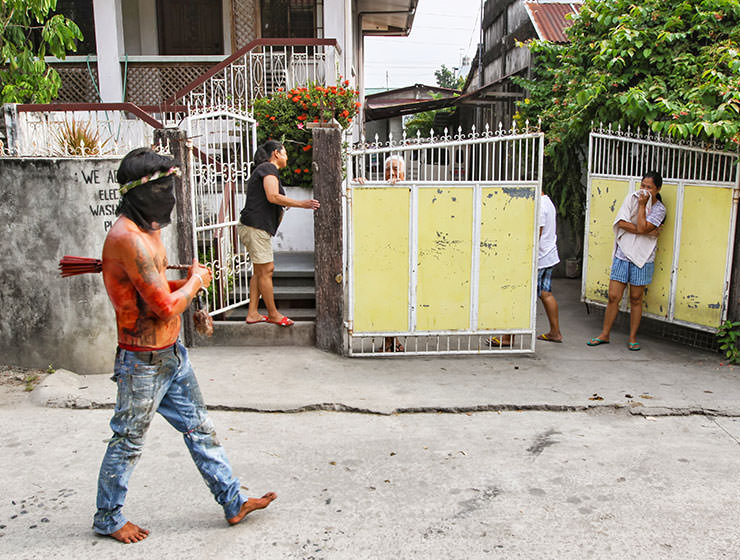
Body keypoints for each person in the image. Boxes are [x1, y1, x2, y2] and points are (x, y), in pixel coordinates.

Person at [94, 148, 276, 543]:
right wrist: (194, 282)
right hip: (142, 362)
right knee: (127, 441)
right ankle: (108, 518)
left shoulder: (150, 230)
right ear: (139, 193)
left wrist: (190, 290)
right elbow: (161, 306)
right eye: (161, 188)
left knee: (200, 429)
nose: (169, 196)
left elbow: (158, 290)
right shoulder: (128, 239)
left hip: (173, 356)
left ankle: (233, 501)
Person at [237, 140, 320, 327]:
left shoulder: (264, 170)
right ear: (276, 153)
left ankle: (253, 313)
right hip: (255, 228)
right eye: (285, 153)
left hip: (254, 227)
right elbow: (272, 196)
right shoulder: (268, 168)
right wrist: (303, 204)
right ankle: (273, 314)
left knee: (260, 271)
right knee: (266, 270)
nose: (287, 157)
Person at [588, 170, 665, 351]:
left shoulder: (660, 209)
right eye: (642, 186)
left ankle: (632, 337)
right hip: (623, 254)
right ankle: (604, 334)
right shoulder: (631, 198)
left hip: (643, 258)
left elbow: (645, 225)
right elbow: (621, 223)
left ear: (657, 189)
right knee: (614, 296)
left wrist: (642, 208)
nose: (644, 191)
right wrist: (643, 230)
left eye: (649, 187)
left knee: (636, 298)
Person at [353, 155, 406, 352]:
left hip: (402, 255)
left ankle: (395, 340)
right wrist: (360, 187)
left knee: (399, 300)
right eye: (388, 169)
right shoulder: (375, 188)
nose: (392, 174)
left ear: (404, 172)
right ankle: (391, 341)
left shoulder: (412, 189)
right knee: (384, 298)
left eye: (396, 169)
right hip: (381, 255)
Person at [536, 191, 563, 343]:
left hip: (539, 257)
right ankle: (555, 332)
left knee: (523, 296)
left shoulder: (539, 205)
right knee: (546, 294)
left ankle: (509, 337)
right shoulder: (548, 201)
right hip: (549, 254)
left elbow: (536, 234)